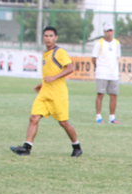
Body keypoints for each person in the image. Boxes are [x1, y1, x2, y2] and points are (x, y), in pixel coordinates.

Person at [10, 26, 82, 157]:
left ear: (56, 38)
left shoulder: (59, 52)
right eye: (46, 36)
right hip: (45, 93)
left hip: (58, 95)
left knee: (63, 123)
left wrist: (54, 78)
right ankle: (27, 148)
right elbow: (50, 73)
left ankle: (77, 146)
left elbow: (70, 68)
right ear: (43, 38)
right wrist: (42, 84)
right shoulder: (45, 54)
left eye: (51, 36)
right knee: (33, 118)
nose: (48, 38)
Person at [92, 22, 121, 124]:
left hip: (113, 74)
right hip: (102, 73)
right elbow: (94, 58)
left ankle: (112, 117)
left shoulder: (117, 43)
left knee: (114, 95)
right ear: (104, 32)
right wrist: (99, 67)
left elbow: (117, 57)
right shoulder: (99, 43)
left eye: (111, 30)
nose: (109, 33)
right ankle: (98, 116)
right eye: (107, 31)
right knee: (100, 94)